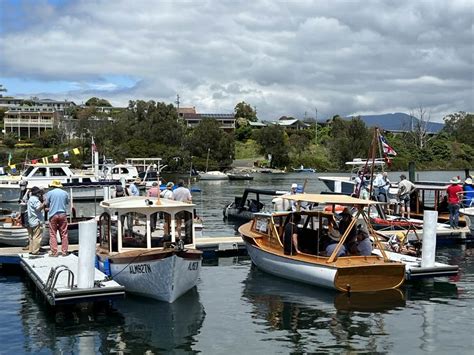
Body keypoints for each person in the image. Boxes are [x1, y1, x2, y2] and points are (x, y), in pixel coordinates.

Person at [44, 180, 69, 257]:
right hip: (62, 214)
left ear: (52, 186)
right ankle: (64, 252)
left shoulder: (49, 193)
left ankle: (54, 252)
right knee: (64, 234)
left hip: (53, 214)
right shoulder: (65, 193)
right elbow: (66, 203)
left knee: (53, 234)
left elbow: (46, 203)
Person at [26, 186, 45, 255]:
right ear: (37, 193)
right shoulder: (35, 199)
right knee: (37, 237)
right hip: (37, 220)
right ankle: (35, 251)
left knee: (31, 237)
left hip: (31, 220)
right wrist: (44, 203)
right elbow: (38, 208)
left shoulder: (30, 199)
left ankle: (31, 250)